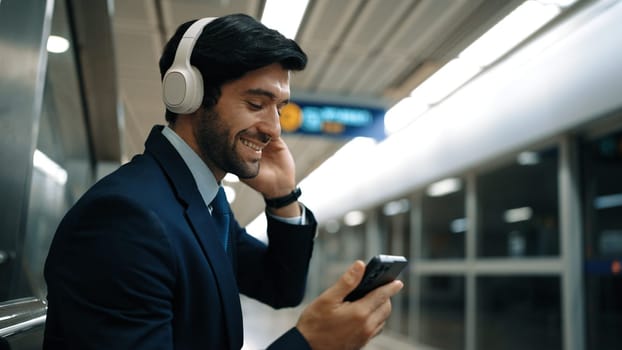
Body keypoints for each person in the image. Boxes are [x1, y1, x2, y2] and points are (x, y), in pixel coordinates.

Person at [43, 13, 403, 350]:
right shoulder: (126, 219)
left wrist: (282, 196)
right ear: (188, 94)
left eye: (278, 108)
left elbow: (280, 287)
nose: (274, 129)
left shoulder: (206, 203)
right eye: (256, 103)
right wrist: (309, 343)